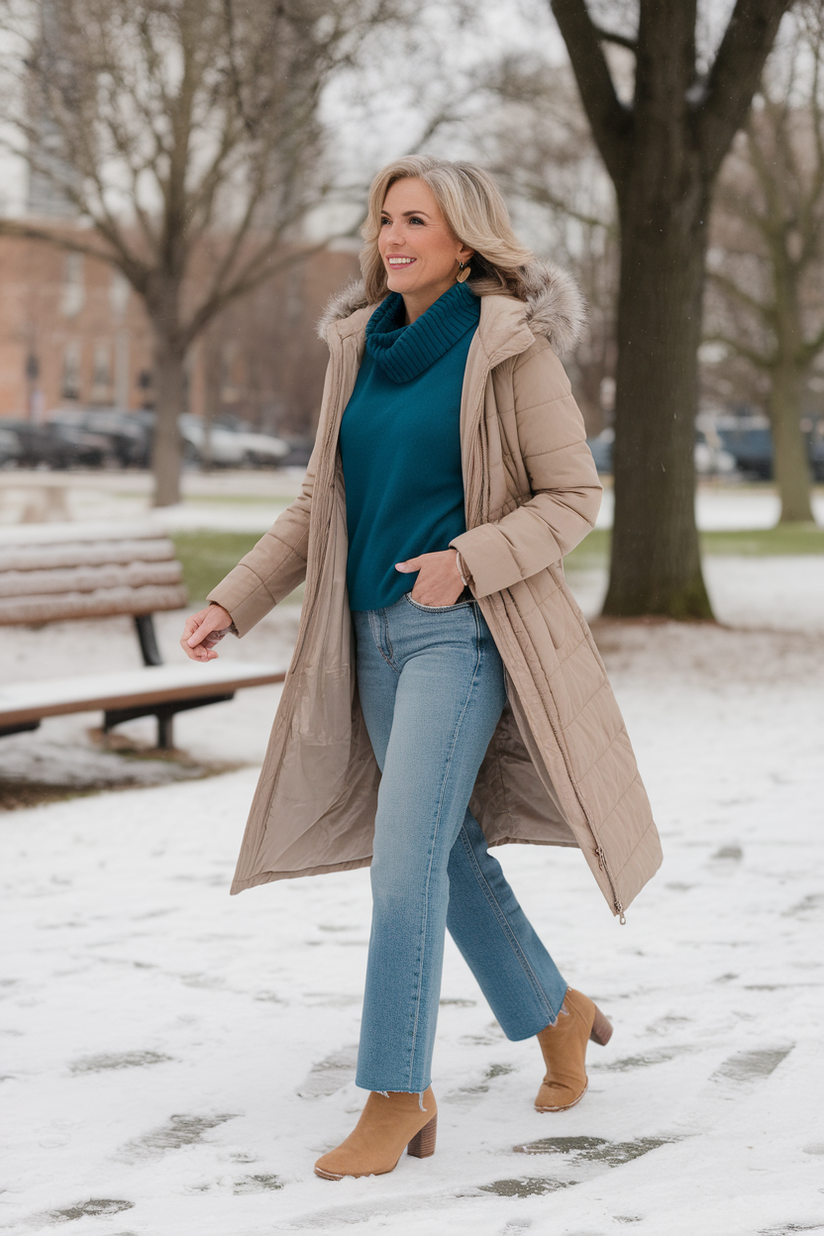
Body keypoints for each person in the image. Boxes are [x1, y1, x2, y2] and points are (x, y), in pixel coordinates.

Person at [180, 155, 662, 1181]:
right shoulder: (356, 347)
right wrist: (235, 596)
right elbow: (321, 501)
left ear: (464, 241)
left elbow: (571, 498)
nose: (393, 237)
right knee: (444, 852)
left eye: (416, 221)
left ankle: (396, 1094)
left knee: (403, 865)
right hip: (368, 638)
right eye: (383, 219)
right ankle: (559, 1013)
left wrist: (464, 562)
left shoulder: (509, 350)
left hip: (461, 636)